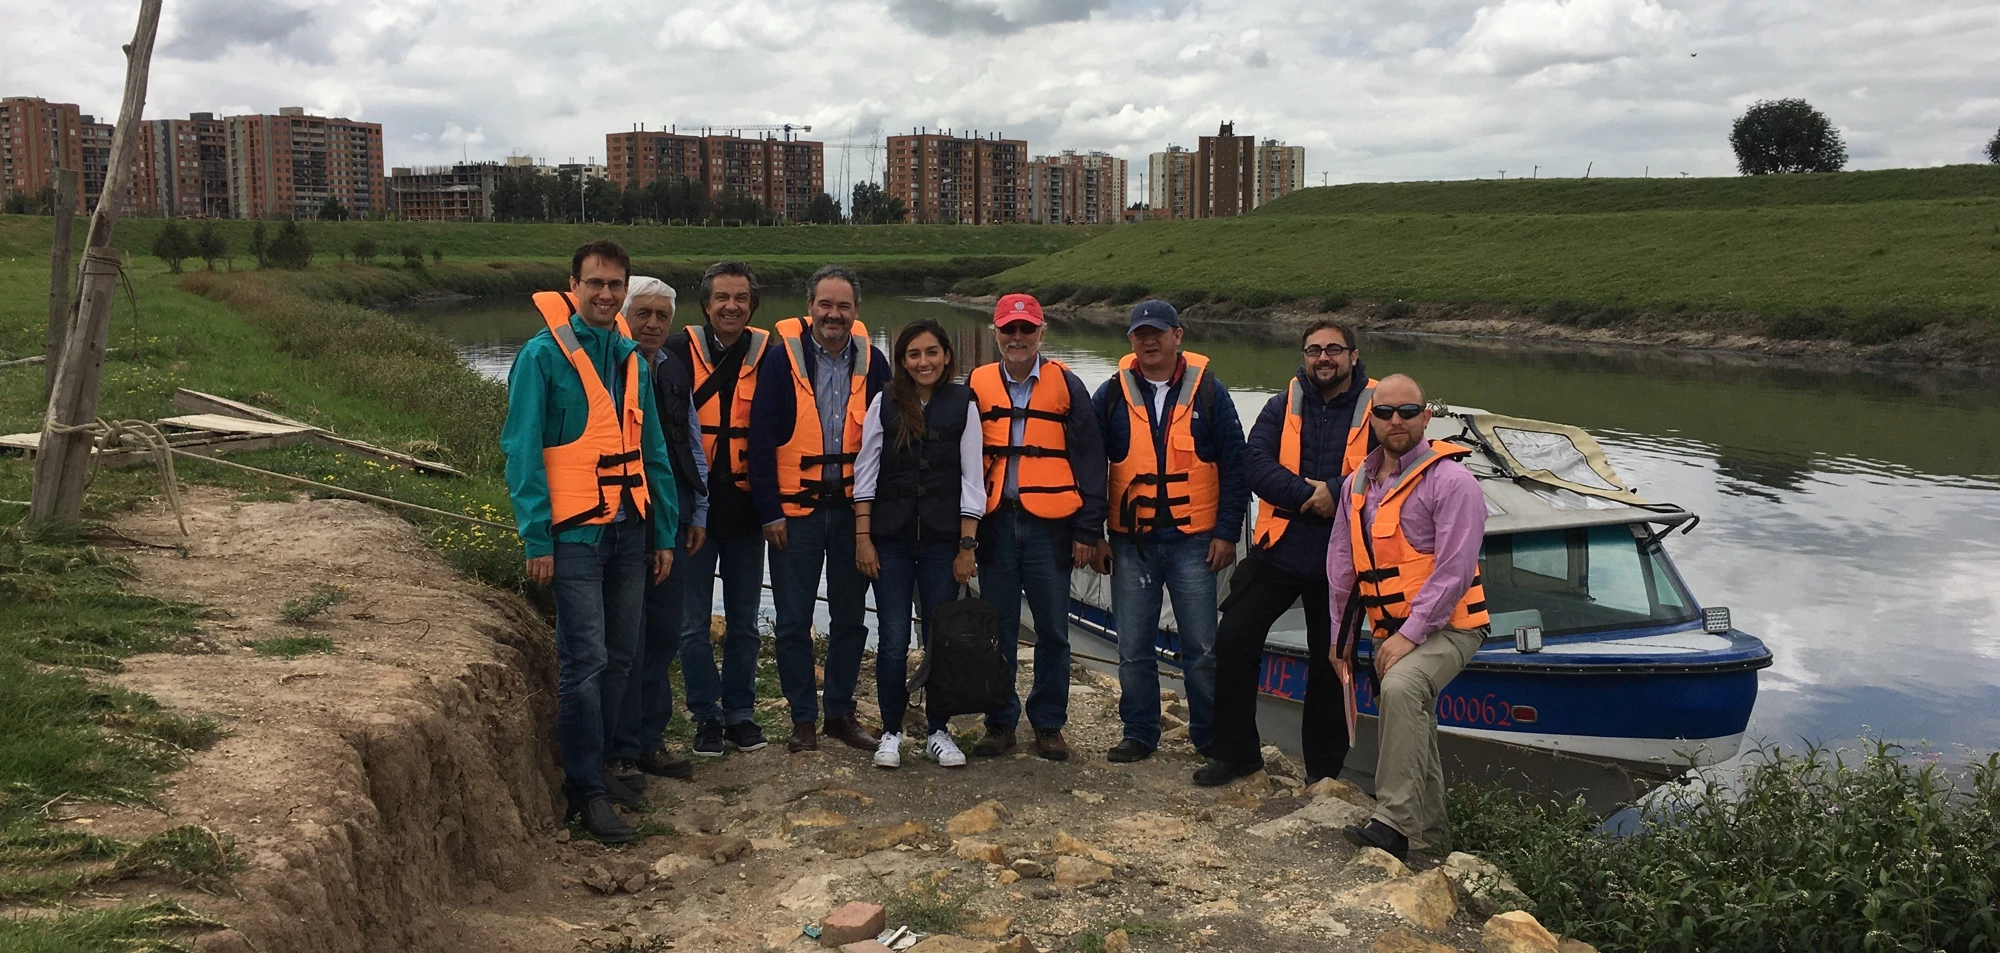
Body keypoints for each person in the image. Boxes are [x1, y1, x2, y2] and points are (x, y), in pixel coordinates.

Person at [502, 239, 678, 845]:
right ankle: (587, 792)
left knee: (621, 657)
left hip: (631, 529)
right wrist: (536, 537)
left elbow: (651, 450)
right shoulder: (540, 356)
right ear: (573, 285)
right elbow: (521, 450)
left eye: (615, 285)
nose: (606, 295)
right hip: (574, 536)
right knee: (585, 664)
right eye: (595, 283)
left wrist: (663, 529)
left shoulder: (632, 358)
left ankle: (604, 764)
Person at [1196, 321, 1376, 787]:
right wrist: (1305, 496)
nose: (1323, 358)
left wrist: (1336, 492)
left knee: (1331, 661)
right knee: (1234, 637)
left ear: (1353, 356)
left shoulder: (1381, 407)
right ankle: (1236, 753)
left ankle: (1323, 773)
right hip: (1282, 546)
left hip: (1343, 556)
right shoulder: (1281, 405)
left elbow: (1391, 471)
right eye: (1314, 349)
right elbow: (1254, 464)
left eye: (1334, 349)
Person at [1331, 374, 1490, 860]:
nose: (1395, 421)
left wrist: (1409, 636)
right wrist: (1341, 646)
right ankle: (1433, 843)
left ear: (1426, 416)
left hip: (1452, 627)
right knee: (1414, 720)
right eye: (1384, 412)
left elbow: (1455, 570)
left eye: (1407, 411)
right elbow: (1341, 567)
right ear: (1370, 419)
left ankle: (1392, 823)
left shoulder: (1453, 482)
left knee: (1401, 688)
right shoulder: (1354, 485)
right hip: (1389, 631)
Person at [1091, 300, 1247, 763]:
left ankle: (1209, 736)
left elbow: (1235, 469)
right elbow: (1089, 467)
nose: (1149, 341)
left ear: (1178, 336)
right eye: (1140, 334)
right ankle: (1139, 732)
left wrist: (1226, 532)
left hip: (1194, 543)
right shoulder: (1111, 395)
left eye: (1158, 332)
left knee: (1201, 647)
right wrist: (1095, 533)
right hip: (1129, 543)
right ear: (1131, 341)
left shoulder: (1211, 394)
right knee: (1132, 646)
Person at [748, 265, 891, 753]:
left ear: (856, 311)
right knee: (792, 620)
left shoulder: (875, 364)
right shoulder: (778, 361)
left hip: (855, 515)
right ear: (809, 306)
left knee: (851, 618)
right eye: (825, 305)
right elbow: (760, 440)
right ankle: (802, 719)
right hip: (796, 514)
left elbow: (889, 443)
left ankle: (839, 714)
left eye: (843, 306)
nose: (833, 314)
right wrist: (769, 511)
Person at [967, 294, 1107, 762]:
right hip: (996, 524)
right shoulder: (976, 383)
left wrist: (1088, 529)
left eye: (1027, 330)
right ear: (996, 333)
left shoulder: (1067, 385)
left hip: (1052, 528)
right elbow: (960, 460)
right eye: (1009, 330)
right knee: (999, 628)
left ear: (1042, 333)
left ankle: (1048, 723)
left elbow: (1091, 460)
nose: (1018, 338)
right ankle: (1000, 722)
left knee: (1052, 630)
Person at [853, 319, 984, 769]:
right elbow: (865, 473)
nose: (923, 361)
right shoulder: (884, 402)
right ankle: (891, 730)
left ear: (946, 356)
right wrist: (863, 539)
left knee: (940, 638)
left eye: (931, 352)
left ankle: (938, 730)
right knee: (892, 638)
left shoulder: (964, 403)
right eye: (913, 354)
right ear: (902, 360)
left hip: (941, 542)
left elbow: (972, 478)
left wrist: (967, 546)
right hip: (889, 539)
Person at [665, 262, 773, 757]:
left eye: (741, 298)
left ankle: (741, 712)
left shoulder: (770, 354)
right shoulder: (673, 352)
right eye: (722, 297)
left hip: (748, 505)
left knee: (745, 620)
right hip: (694, 507)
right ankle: (705, 714)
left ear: (752, 305)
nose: (732, 306)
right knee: (692, 623)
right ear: (706, 304)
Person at [607, 277, 708, 791]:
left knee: (665, 633)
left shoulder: (672, 367)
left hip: (672, 516)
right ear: (624, 314)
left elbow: (690, 441)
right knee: (629, 639)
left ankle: (651, 738)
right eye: (642, 313)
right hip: (620, 518)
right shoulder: (605, 365)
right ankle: (621, 750)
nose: (651, 324)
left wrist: (700, 510)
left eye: (661, 316)